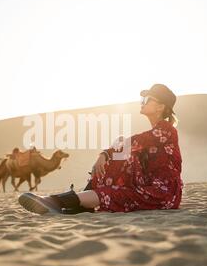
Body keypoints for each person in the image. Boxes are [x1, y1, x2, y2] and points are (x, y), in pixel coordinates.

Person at [18, 83, 183, 214]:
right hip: (147, 184)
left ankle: (56, 201)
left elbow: (135, 141)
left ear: (160, 107)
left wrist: (105, 153)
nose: (142, 103)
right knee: (120, 154)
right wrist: (108, 154)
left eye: (147, 100)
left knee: (114, 191)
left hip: (161, 193)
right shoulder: (156, 132)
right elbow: (128, 146)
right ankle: (76, 201)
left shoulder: (167, 130)